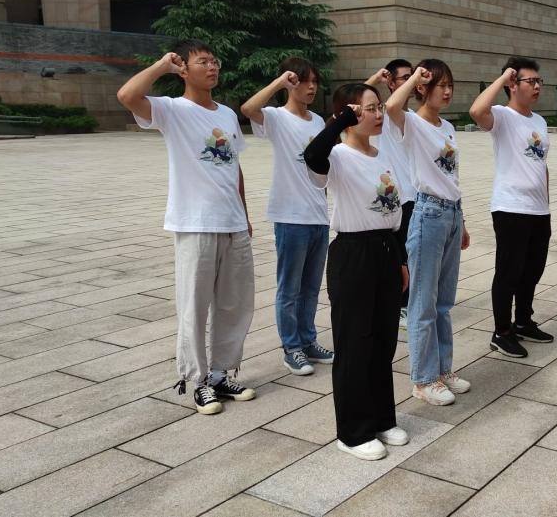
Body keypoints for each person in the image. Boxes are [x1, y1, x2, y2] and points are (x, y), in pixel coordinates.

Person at [116, 39, 256, 415]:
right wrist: (161, 66)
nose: (212, 67)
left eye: (215, 60)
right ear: (184, 70)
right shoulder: (172, 110)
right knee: (194, 305)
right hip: (195, 223)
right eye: (203, 62)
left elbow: (234, 167)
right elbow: (127, 95)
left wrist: (244, 214)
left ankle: (221, 374)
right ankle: (197, 381)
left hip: (232, 222)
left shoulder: (226, 114)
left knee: (235, 304)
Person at [302, 83, 408, 461]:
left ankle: (382, 418)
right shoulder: (337, 156)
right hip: (353, 253)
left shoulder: (383, 155)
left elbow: (395, 211)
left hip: (386, 249)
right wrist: (339, 121)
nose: (378, 115)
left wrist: (401, 259)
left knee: (383, 341)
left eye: (379, 107)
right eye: (369, 109)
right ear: (349, 114)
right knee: (355, 343)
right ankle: (352, 432)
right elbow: (312, 154)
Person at [385, 59, 471, 406]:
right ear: (422, 88)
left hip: (451, 213)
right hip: (428, 213)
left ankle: (442, 369)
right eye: (440, 85)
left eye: (450, 85)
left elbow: (452, 176)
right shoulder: (413, 123)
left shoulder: (446, 126)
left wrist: (462, 220)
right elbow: (392, 106)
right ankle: (422, 379)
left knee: (444, 302)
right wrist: (415, 77)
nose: (447, 92)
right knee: (423, 302)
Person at [241, 57, 334, 376]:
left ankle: (308, 340)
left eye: (314, 82)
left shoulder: (318, 121)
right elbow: (248, 108)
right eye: (305, 81)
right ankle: (291, 347)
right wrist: (279, 82)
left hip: (318, 215)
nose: (311, 87)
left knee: (311, 287)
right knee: (290, 287)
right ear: (291, 83)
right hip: (290, 216)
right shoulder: (276, 117)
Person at [469, 56, 554, 358]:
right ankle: (501, 331)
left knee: (532, 269)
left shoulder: (539, 121)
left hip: (538, 209)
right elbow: (476, 111)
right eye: (531, 81)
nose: (537, 86)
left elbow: (542, 164)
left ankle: (523, 321)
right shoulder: (502, 116)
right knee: (509, 271)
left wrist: (546, 202)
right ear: (513, 85)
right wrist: (503, 77)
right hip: (510, 207)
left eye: (539, 81)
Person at [366, 59, 416, 328]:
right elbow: (353, 102)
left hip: (418, 196)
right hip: (397, 198)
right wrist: (375, 79)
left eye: (413, 76)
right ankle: (400, 305)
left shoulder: (415, 117)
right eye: (405, 77)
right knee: (400, 255)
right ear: (391, 83)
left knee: (414, 254)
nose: (412, 82)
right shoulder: (382, 116)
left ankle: (410, 301)